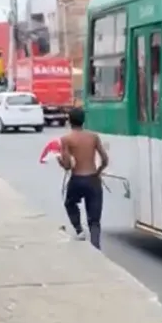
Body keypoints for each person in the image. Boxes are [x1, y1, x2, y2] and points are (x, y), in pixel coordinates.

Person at [58, 107, 109, 249]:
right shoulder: (93, 137)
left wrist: (59, 161)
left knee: (70, 203)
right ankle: (96, 245)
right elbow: (105, 159)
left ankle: (79, 230)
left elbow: (68, 165)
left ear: (69, 121)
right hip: (93, 179)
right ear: (83, 121)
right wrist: (98, 171)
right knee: (94, 219)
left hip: (77, 179)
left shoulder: (66, 139)